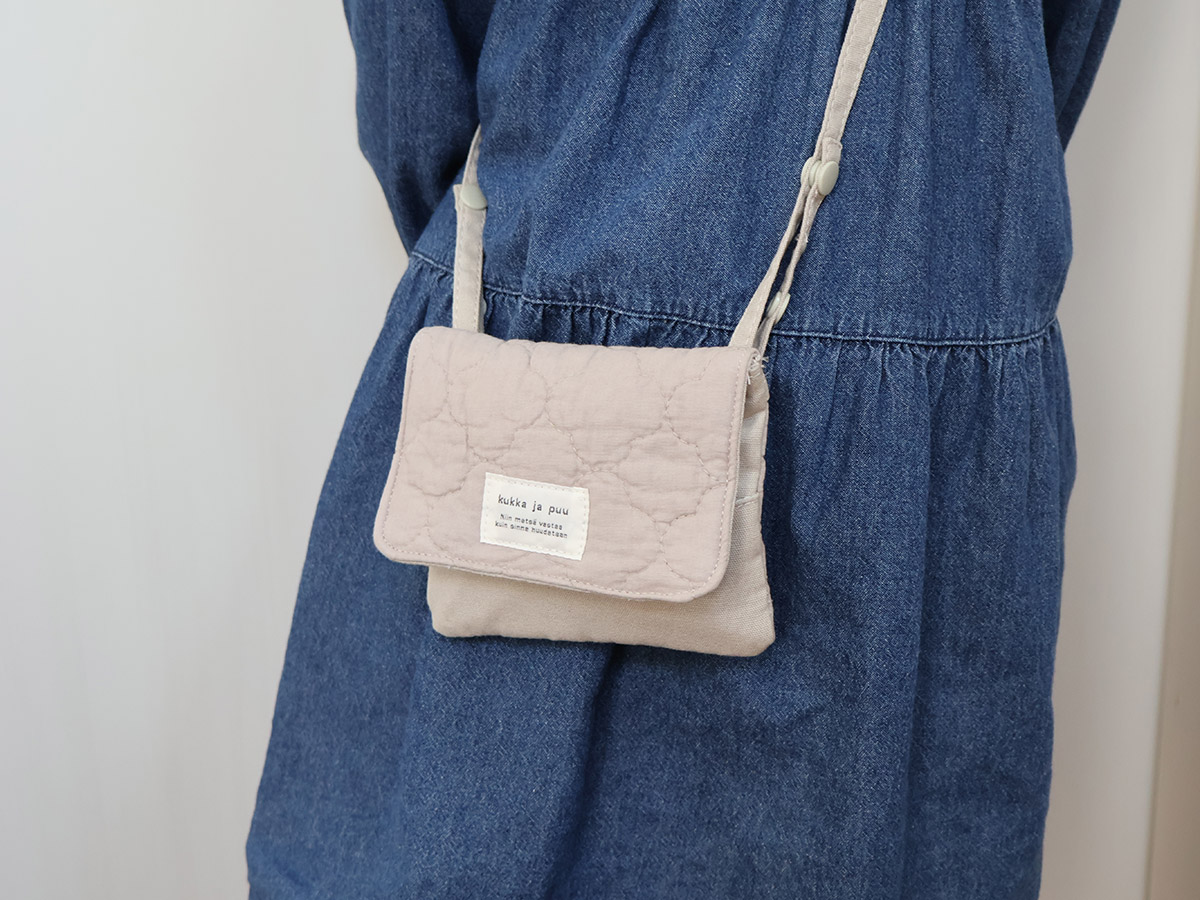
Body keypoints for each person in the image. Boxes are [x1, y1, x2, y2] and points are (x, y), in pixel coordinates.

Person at [246, 1, 1120, 897]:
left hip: (557, 271)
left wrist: (546, 261)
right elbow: (1040, 59)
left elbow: (418, 77)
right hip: (918, 294)